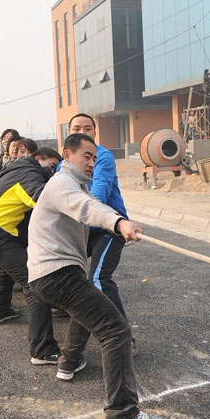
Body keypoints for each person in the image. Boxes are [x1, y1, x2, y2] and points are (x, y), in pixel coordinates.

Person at [28, 133, 165, 419]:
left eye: (94, 157)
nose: (91, 162)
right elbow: (86, 208)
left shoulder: (77, 186)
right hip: (56, 275)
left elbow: (88, 209)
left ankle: (69, 363)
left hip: (54, 276)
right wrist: (119, 222)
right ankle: (122, 416)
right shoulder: (62, 183)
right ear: (67, 155)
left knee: (89, 309)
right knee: (116, 330)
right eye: (85, 156)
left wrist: (116, 230)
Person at [0, 147, 62, 341]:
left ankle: (0, 311)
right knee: (35, 282)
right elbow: (42, 200)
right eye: (52, 166)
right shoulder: (29, 174)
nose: (53, 171)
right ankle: (43, 349)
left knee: (7, 268)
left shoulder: (15, 171)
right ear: (38, 158)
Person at [67, 113, 136, 354]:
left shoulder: (102, 156)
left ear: (95, 132)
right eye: (77, 128)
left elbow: (99, 191)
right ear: (69, 133)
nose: (83, 132)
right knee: (61, 270)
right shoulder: (64, 162)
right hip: (84, 228)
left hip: (109, 227)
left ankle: (125, 339)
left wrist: (114, 222)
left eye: (88, 128)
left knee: (98, 280)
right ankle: (73, 339)